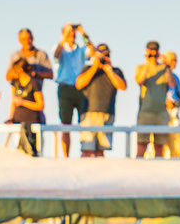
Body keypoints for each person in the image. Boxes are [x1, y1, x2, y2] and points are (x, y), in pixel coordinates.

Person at [75, 43, 125, 157]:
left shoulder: (115, 71)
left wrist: (109, 70)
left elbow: (122, 86)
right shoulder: (87, 69)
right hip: (88, 114)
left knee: (101, 151)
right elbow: (79, 84)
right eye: (101, 55)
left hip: (107, 114)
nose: (104, 58)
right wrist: (95, 67)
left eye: (106, 55)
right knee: (87, 150)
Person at [53, 24, 94, 157]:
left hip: (81, 89)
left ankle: (85, 152)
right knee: (66, 124)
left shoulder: (81, 49)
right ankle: (66, 156)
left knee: (85, 122)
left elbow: (93, 52)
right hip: (65, 88)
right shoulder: (61, 48)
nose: (72, 35)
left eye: (73, 32)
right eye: (69, 32)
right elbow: (56, 54)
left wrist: (84, 33)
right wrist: (64, 37)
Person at [134, 41, 173, 158]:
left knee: (160, 146)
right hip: (145, 111)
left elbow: (172, 84)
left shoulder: (164, 68)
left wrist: (167, 66)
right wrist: (148, 62)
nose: (153, 53)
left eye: (155, 50)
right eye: (150, 50)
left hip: (161, 112)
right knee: (142, 145)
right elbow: (139, 81)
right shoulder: (141, 67)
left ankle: (159, 173)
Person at [8, 59, 45, 156]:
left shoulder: (34, 83)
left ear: (20, 70)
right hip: (17, 121)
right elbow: (12, 101)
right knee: (19, 153)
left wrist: (23, 102)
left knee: (35, 153)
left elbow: (40, 105)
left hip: (33, 123)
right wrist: (10, 118)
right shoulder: (15, 82)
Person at [162, 51, 180, 158]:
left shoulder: (176, 77)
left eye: (175, 60)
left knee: (177, 144)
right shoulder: (158, 74)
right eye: (171, 60)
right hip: (161, 112)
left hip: (174, 113)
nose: (174, 63)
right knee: (160, 144)